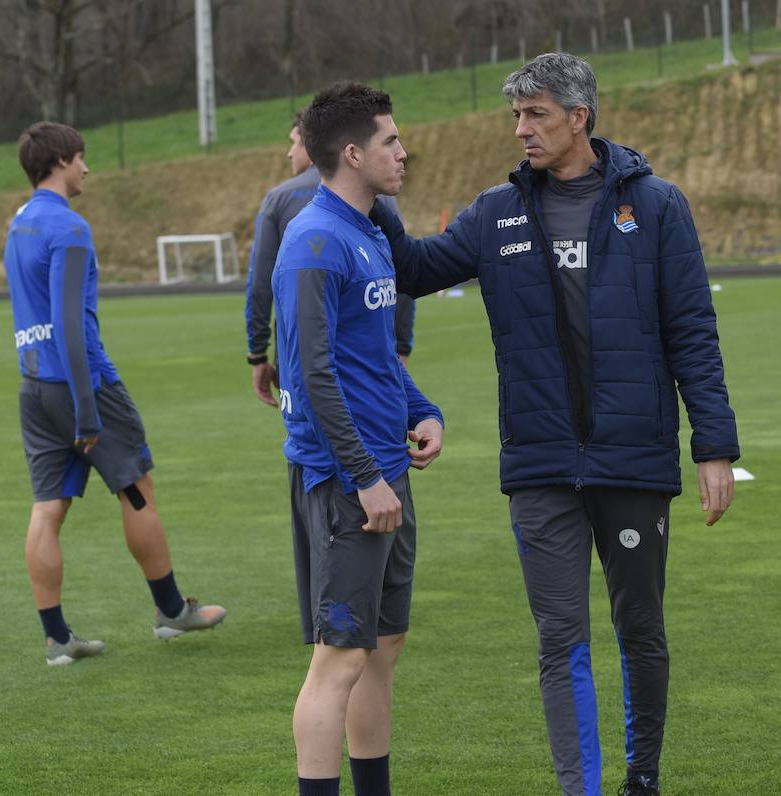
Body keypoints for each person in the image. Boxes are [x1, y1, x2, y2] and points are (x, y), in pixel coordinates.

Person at [370, 53, 738, 796]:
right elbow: (412, 266)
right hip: (539, 465)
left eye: (536, 115)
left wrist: (714, 446)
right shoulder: (494, 211)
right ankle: (582, 789)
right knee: (559, 639)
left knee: (641, 633)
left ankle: (642, 778)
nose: (521, 130)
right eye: (516, 116)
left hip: (632, 457)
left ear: (579, 117)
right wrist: (367, 189)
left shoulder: (657, 204)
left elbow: (692, 328)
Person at [273, 81, 444, 796]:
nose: (403, 152)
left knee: (382, 648)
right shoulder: (313, 241)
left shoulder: (370, 232)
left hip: (383, 469)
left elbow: (373, 359)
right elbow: (314, 376)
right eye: (390, 141)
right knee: (337, 658)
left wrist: (421, 410)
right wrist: (365, 476)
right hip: (350, 483)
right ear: (351, 153)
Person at [4, 122, 227, 667]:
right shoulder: (69, 228)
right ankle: (172, 611)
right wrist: (86, 412)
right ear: (60, 161)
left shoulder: (18, 224)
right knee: (136, 488)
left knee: (47, 508)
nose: (86, 169)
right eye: (81, 158)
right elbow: (69, 327)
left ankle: (58, 640)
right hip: (85, 388)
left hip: (33, 387)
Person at [246, 113, 414, 402]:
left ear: (311, 146)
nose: (289, 153)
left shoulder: (278, 198)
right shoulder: (380, 193)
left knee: (315, 433)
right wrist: (401, 346)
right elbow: (401, 275)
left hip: (301, 364)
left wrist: (257, 352)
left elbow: (261, 284)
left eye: (294, 143)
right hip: (374, 364)